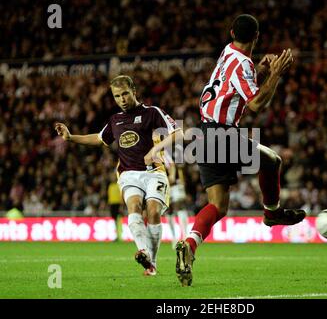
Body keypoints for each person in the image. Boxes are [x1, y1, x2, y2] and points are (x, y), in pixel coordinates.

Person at [175, 14, 306, 286]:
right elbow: (257, 104)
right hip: (223, 134)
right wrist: (276, 74)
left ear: (232, 32)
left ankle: (189, 244)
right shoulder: (242, 63)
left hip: (204, 132)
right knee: (272, 161)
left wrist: (260, 69)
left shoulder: (228, 51)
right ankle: (272, 213)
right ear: (257, 37)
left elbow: (237, 83)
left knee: (218, 206)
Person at [55, 75, 183, 276]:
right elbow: (99, 139)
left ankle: (153, 261)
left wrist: (155, 149)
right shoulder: (115, 120)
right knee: (133, 206)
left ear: (134, 91)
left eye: (125, 94)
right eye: (117, 96)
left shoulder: (152, 113)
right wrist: (71, 137)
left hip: (154, 172)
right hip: (128, 174)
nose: (122, 99)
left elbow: (178, 133)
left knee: (153, 212)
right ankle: (143, 253)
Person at [164, 152, 189, 249]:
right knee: (169, 211)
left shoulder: (167, 153)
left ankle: (185, 236)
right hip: (166, 186)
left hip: (176, 185)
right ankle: (174, 238)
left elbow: (176, 168)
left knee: (180, 207)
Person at [107, 172, 123, 241]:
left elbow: (121, 195)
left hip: (118, 204)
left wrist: (121, 206)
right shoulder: (110, 186)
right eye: (111, 177)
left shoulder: (118, 185)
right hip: (112, 204)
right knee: (114, 220)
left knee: (118, 220)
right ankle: (116, 235)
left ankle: (120, 236)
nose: (112, 178)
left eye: (113, 177)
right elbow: (109, 196)